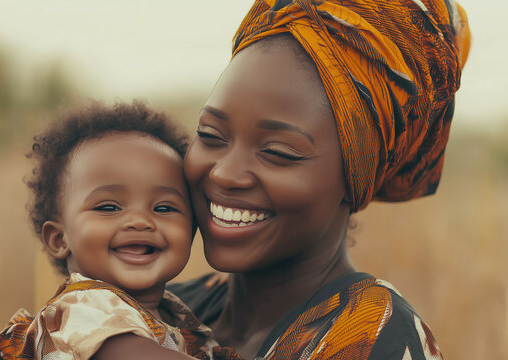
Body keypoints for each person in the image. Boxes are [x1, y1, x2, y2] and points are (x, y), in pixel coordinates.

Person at [96, 0, 471, 359]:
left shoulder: (375, 339)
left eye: (277, 153)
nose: (224, 172)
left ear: (356, 176)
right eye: (211, 135)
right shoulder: (152, 311)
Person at [0, 101, 232, 360]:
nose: (140, 221)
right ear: (59, 239)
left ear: (192, 230)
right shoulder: (83, 308)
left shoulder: (175, 313)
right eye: (108, 207)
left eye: (164, 208)